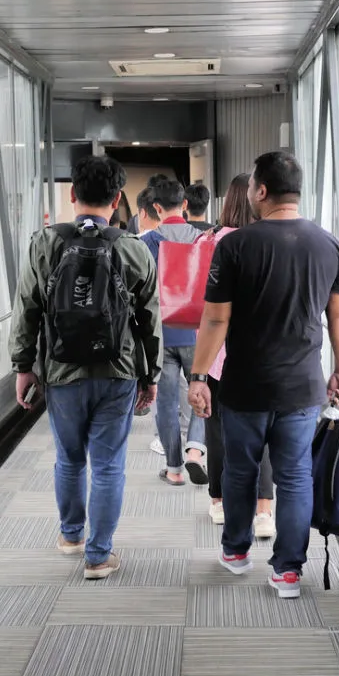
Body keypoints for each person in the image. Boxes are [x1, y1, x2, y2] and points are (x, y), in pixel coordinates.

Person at [189, 151, 339, 599]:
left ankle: (236, 552)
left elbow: (216, 319)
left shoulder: (235, 246)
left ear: (261, 190)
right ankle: (288, 572)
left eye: (251, 187)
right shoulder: (330, 245)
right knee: (295, 476)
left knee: (240, 471)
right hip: (302, 386)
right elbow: (338, 318)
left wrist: (199, 376)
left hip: (244, 384)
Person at [10, 155, 162, 580]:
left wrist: (23, 366)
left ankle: (71, 536)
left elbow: (26, 309)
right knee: (108, 465)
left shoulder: (45, 243)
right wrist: (150, 376)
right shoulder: (133, 248)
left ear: (73, 194)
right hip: (118, 371)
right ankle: (98, 556)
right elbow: (151, 319)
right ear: (117, 200)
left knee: (69, 459)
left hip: (62, 372)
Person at [203, 174, 276, 538]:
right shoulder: (270, 242)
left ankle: (218, 502)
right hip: (262, 353)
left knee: (216, 428)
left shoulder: (211, 241)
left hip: (217, 353)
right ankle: (263, 511)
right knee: (262, 432)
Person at [141, 179, 208, 486]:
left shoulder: (146, 243)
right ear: (184, 205)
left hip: (161, 334)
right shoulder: (204, 239)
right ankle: (195, 450)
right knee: (200, 392)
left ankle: (174, 470)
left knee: (166, 403)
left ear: (156, 207)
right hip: (198, 333)